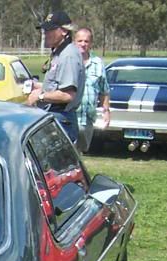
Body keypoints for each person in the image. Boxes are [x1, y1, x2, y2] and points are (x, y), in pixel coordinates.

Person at [26, 10, 85, 144]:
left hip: (61, 120)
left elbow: (67, 95)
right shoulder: (59, 53)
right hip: (55, 118)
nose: (45, 34)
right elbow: (57, 85)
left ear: (64, 31)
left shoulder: (68, 55)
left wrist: (40, 96)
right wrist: (39, 86)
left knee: (58, 165)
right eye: (45, 30)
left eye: (49, 30)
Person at [75, 27, 111, 153]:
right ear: (74, 42)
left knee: (81, 152)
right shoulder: (69, 61)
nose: (83, 44)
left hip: (88, 118)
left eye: (86, 41)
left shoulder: (98, 63)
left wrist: (106, 111)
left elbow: (104, 90)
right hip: (70, 117)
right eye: (79, 41)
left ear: (91, 43)